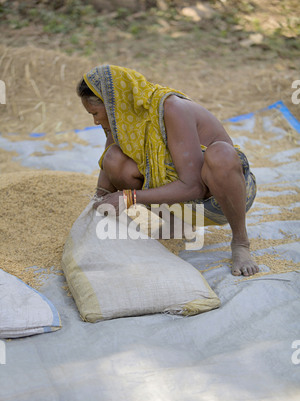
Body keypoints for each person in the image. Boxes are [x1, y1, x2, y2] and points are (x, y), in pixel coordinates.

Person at [77, 64, 259, 277]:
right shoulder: (123, 119)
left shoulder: (172, 109)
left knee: (220, 154)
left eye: (96, 113)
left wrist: (129, 197)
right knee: (115, 159)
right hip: (184, 201)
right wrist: (95, 208)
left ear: (112, 103)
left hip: (222, 196)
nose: (95, 120)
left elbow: (194, 186)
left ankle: (240, 242)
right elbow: (107, 171)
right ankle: (177, 223)